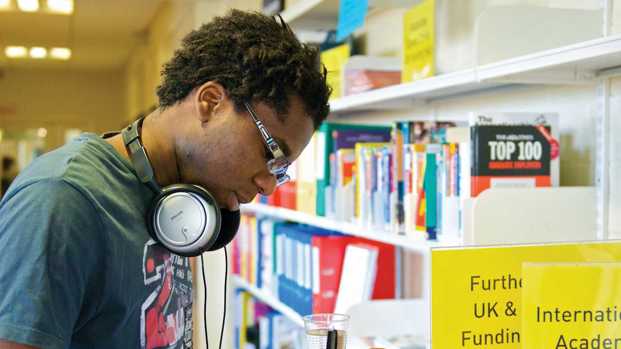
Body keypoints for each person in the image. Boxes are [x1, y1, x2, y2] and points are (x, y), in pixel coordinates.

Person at [0, 10, 330, 349]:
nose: (269, 185)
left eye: (281, 170)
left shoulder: (182, 203)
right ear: (211, 102)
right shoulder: (62, 199)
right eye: (271, 152)